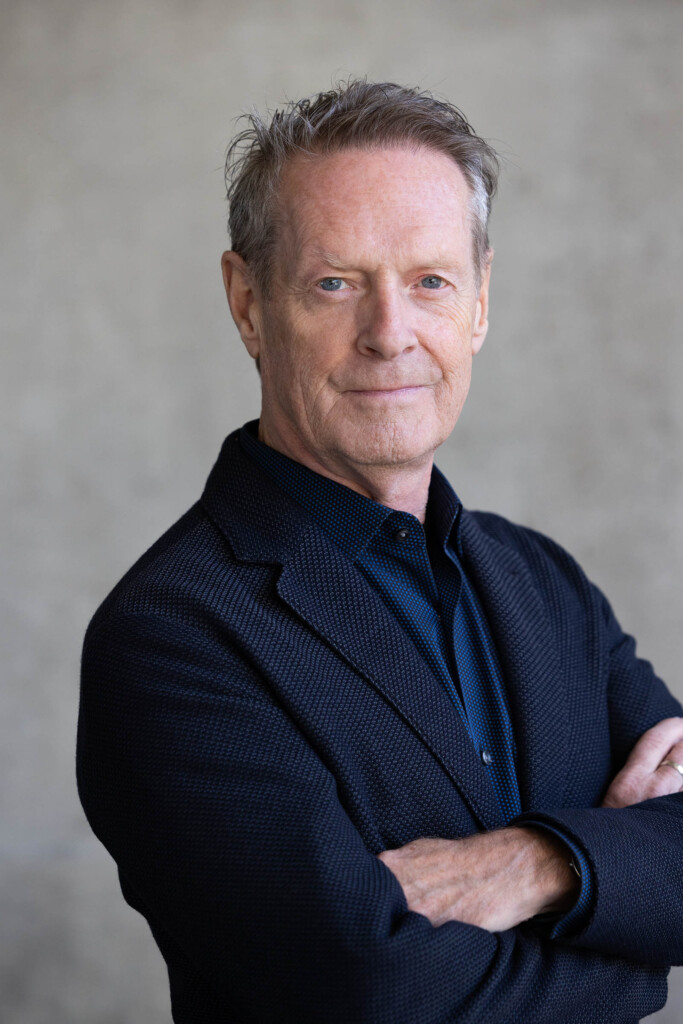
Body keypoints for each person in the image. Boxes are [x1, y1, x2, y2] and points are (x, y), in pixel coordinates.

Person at [76, 80, 683, 1023]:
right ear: (247, 302)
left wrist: (540, 862)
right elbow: (371, 991)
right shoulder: (171, 636)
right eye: (335, 283)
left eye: (431, 282)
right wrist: (636, 945)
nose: (390, 334)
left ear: (478, 304)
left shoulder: (545, 584)